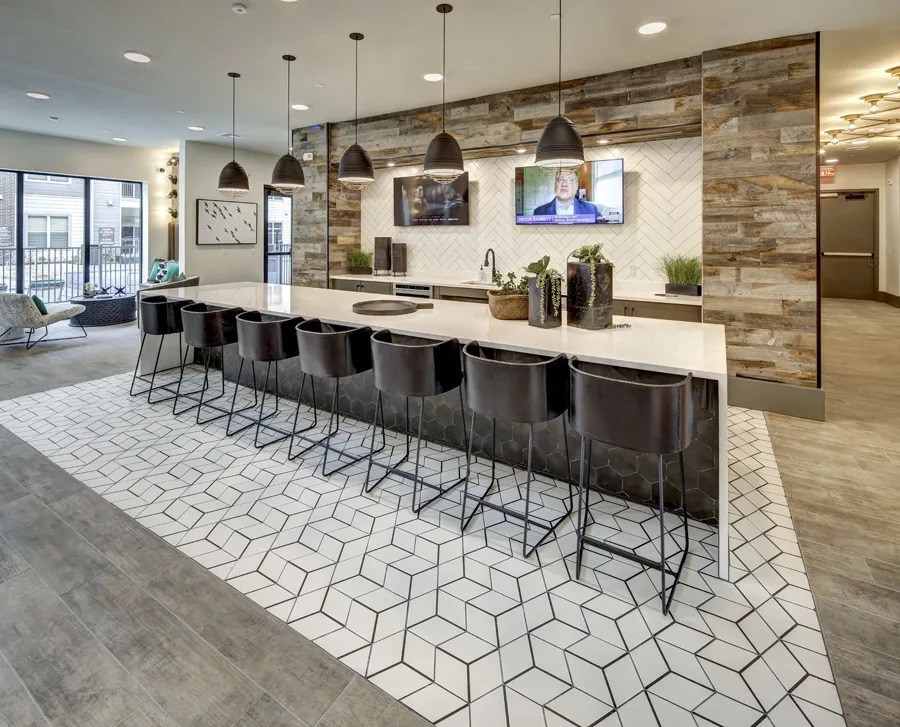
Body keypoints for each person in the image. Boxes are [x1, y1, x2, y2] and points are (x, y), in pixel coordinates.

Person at [533, 170, 602, 220]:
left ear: (577, 186)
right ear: (555, 185)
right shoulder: (539, 212)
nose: (564, 184)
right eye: (560, 179)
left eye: (570, 180)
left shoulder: (592, 210)